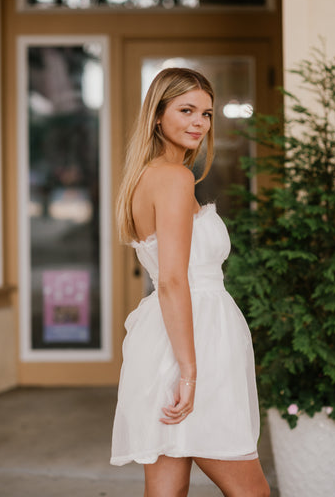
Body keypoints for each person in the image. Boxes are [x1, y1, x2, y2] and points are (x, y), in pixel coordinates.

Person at [111, 68, 270, 497]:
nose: (199, 122)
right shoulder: (175, 178)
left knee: (167, 491)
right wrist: (191, 372)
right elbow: (173, 282)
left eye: (207, 113)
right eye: (186, 110)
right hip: (193, 345)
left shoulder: (145, 177)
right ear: (158, 115)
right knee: (252, 491)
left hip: (164, 340)